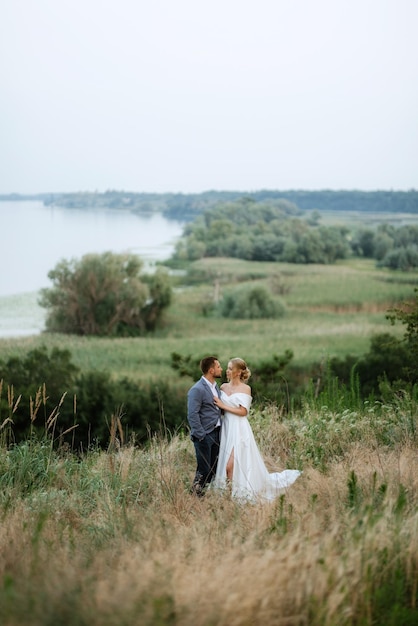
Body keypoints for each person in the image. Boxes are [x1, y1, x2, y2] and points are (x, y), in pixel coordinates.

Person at [213, 357, 301, 502]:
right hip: (227, 428)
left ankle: (233, 496)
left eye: (230, 369)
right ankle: (228, 495)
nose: (227, 371)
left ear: (239, 371)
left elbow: (243, 412)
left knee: (230, 465)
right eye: (227, 368)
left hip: (239, 429)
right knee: (225, 465)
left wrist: (223, 406)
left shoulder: (245, 389)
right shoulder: (222, 387)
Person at [187, 356, 223, 496]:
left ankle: (201, 495)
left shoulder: (215, 387)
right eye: (218, 366)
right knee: (204, 469)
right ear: (211, 370)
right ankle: (195, 495)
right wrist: (201, 435)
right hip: (204, 436)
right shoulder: (197, 389)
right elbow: (192, 414)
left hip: (216, 434)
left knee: (213, 469)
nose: (221, 369)